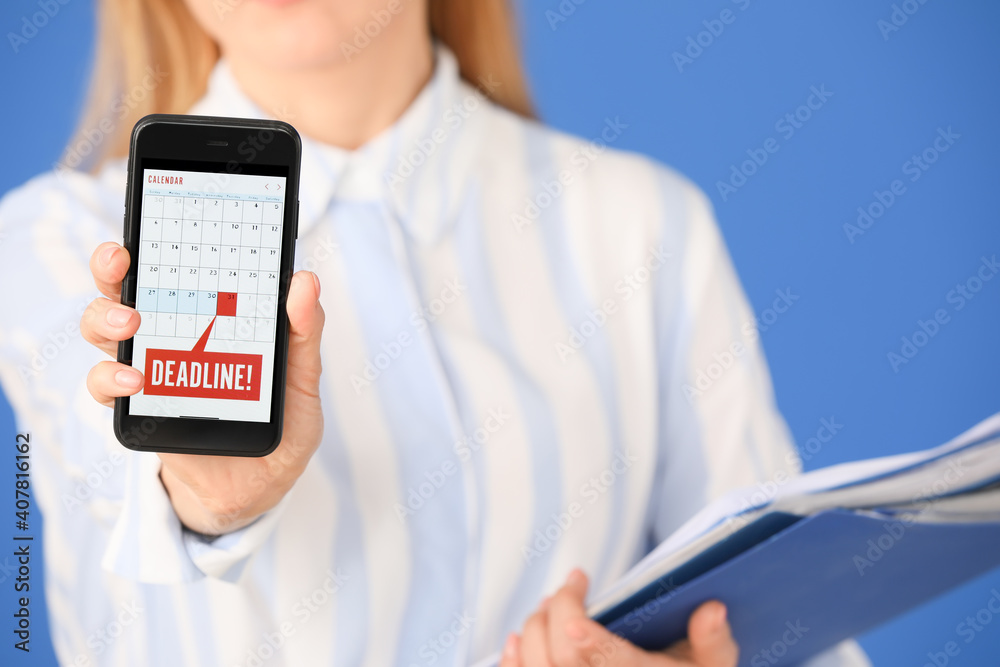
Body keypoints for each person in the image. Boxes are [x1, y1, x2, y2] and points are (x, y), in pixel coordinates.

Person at [0, 0, 871, 665]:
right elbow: (100, 463)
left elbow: (790, 619)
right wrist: (199, 490)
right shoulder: (52, 239)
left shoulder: (643, 226)